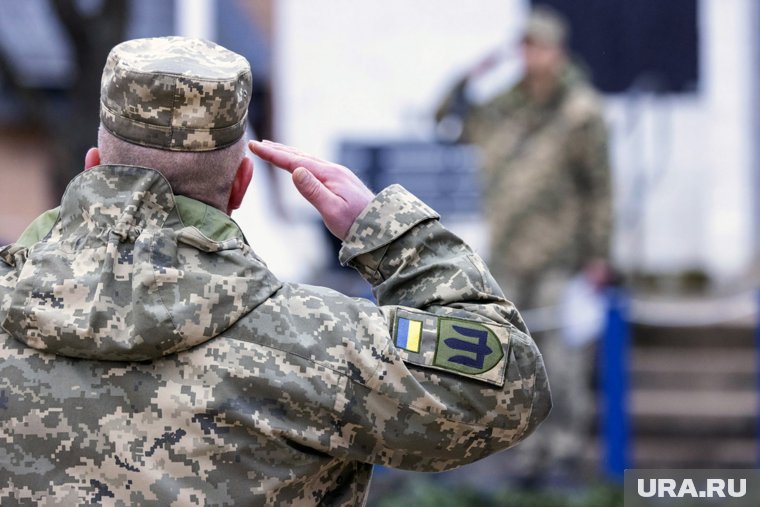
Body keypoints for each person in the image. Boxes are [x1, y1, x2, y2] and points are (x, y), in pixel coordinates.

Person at [0, 36, 550, 505]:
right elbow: (510, 383)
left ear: (94, 168)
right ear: (242, 185)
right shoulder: (319, 342)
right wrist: (390, 232)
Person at [436, 5, 612, 483]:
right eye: (526, 46)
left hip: (561, 256)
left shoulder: (580, 111)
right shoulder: (501, 108)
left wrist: (599, 255)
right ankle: (528, 455)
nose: (532, 56)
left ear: (558, 52)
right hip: (509, 255)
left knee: (561, 359)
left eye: (541, 47)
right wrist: (465, 78)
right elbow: (445, 124)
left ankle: (567, 453)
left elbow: (599, 186)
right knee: (513, 359)